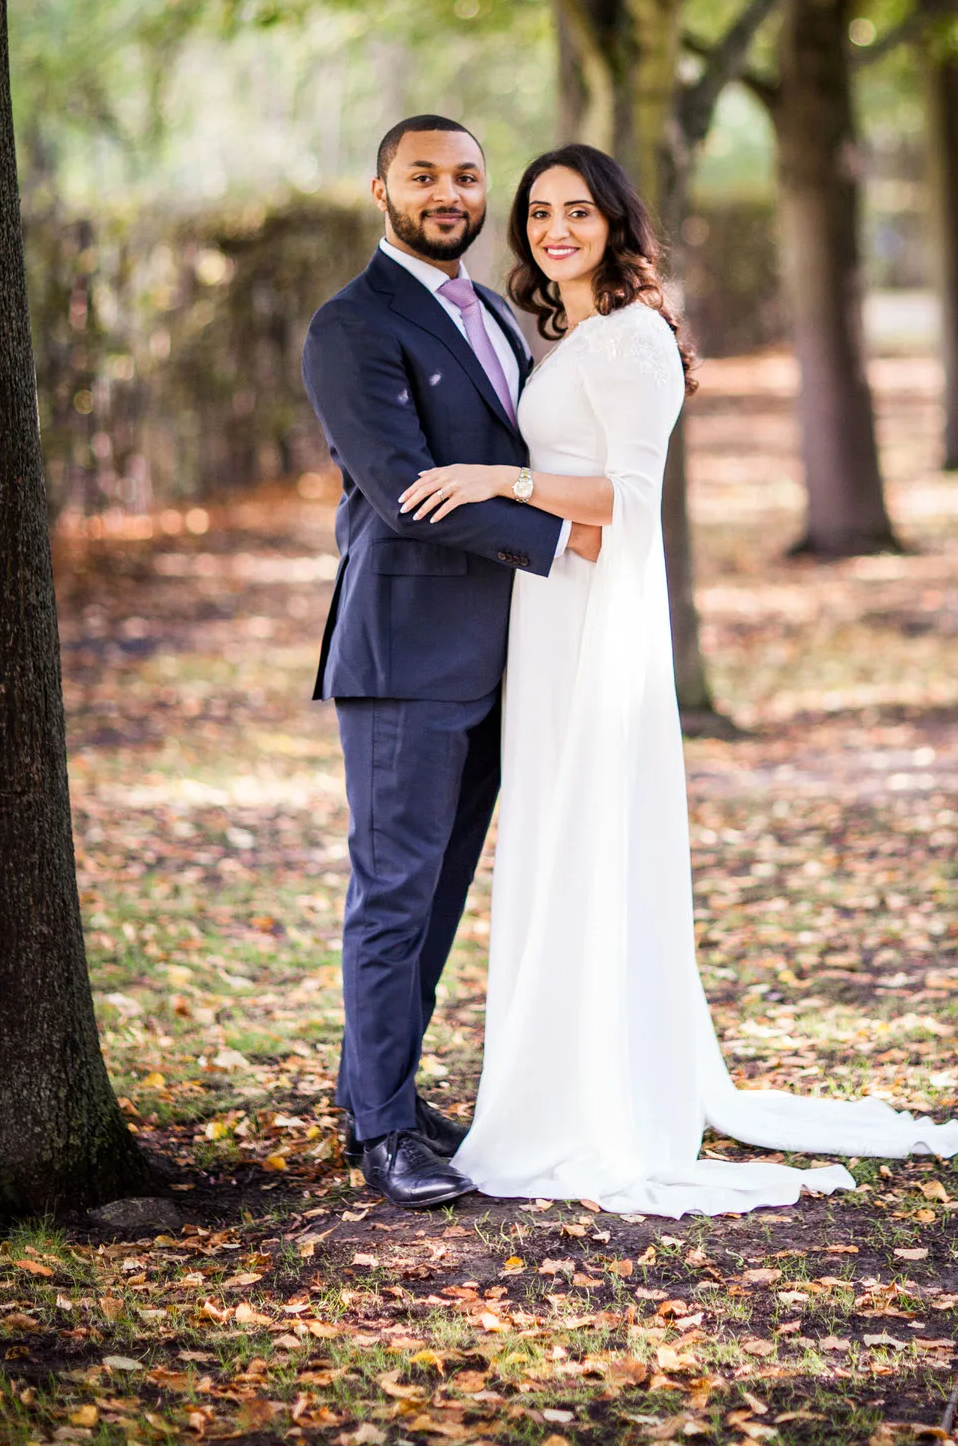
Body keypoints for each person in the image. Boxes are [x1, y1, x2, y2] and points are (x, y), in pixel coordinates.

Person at [395, 142, 958, 1217]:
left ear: (617, 224)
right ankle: (550, 1075)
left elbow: (625, 495)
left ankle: (586, 1100)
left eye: (577, 210)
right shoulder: (568, 334)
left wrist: (502, 476)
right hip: (547, 612)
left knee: (585, 835)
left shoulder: (635, 341)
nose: (554, 229)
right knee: (550, 839)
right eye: (537, 212)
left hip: (595, 622)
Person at [302, 116, 602, 1210]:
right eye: (423, 175)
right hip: (403, 658)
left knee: (433, 900)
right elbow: (407, 492)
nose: (448, 192)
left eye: (467, 176)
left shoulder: (497, 318)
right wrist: (569, 541)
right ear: (378, 185)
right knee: (391, 897)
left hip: (498, 660)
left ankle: (377, 1092)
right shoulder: (353, 324)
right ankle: (382, 1132)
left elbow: (505, 461)